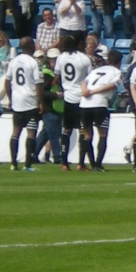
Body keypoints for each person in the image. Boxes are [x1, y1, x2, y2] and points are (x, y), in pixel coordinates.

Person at [78, 50, 122, 172]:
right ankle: (98, 164)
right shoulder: (117, 72)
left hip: (84, 104)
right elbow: (112, 85)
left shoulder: (96, 70)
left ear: (108, 60)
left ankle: (92, 164)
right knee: (102, 134)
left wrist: (85, 91)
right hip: (100, 104)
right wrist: (93, 92)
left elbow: (84, 82)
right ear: (119, 62)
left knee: (87, 135)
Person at [54, 34, 92, 171]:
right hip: (81, 98)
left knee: (66, 130)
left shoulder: (61, 58)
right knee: (83, 130)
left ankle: (64, 163)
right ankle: (81, 163)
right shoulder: (84, 58)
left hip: (68, 97)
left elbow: (57, 76)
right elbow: (90, 78)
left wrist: (64, 88)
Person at [4, 37, 43, 171]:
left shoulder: (13, 61)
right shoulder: (34, 62)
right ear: (32, 46)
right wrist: (40, 102)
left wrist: (10, 98)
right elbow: (38, 84)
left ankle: (13, 163)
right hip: (30, 101)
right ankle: (27, 164)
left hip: (17, 101)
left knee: (16, 131)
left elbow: (7, 81)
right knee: (31, 132)